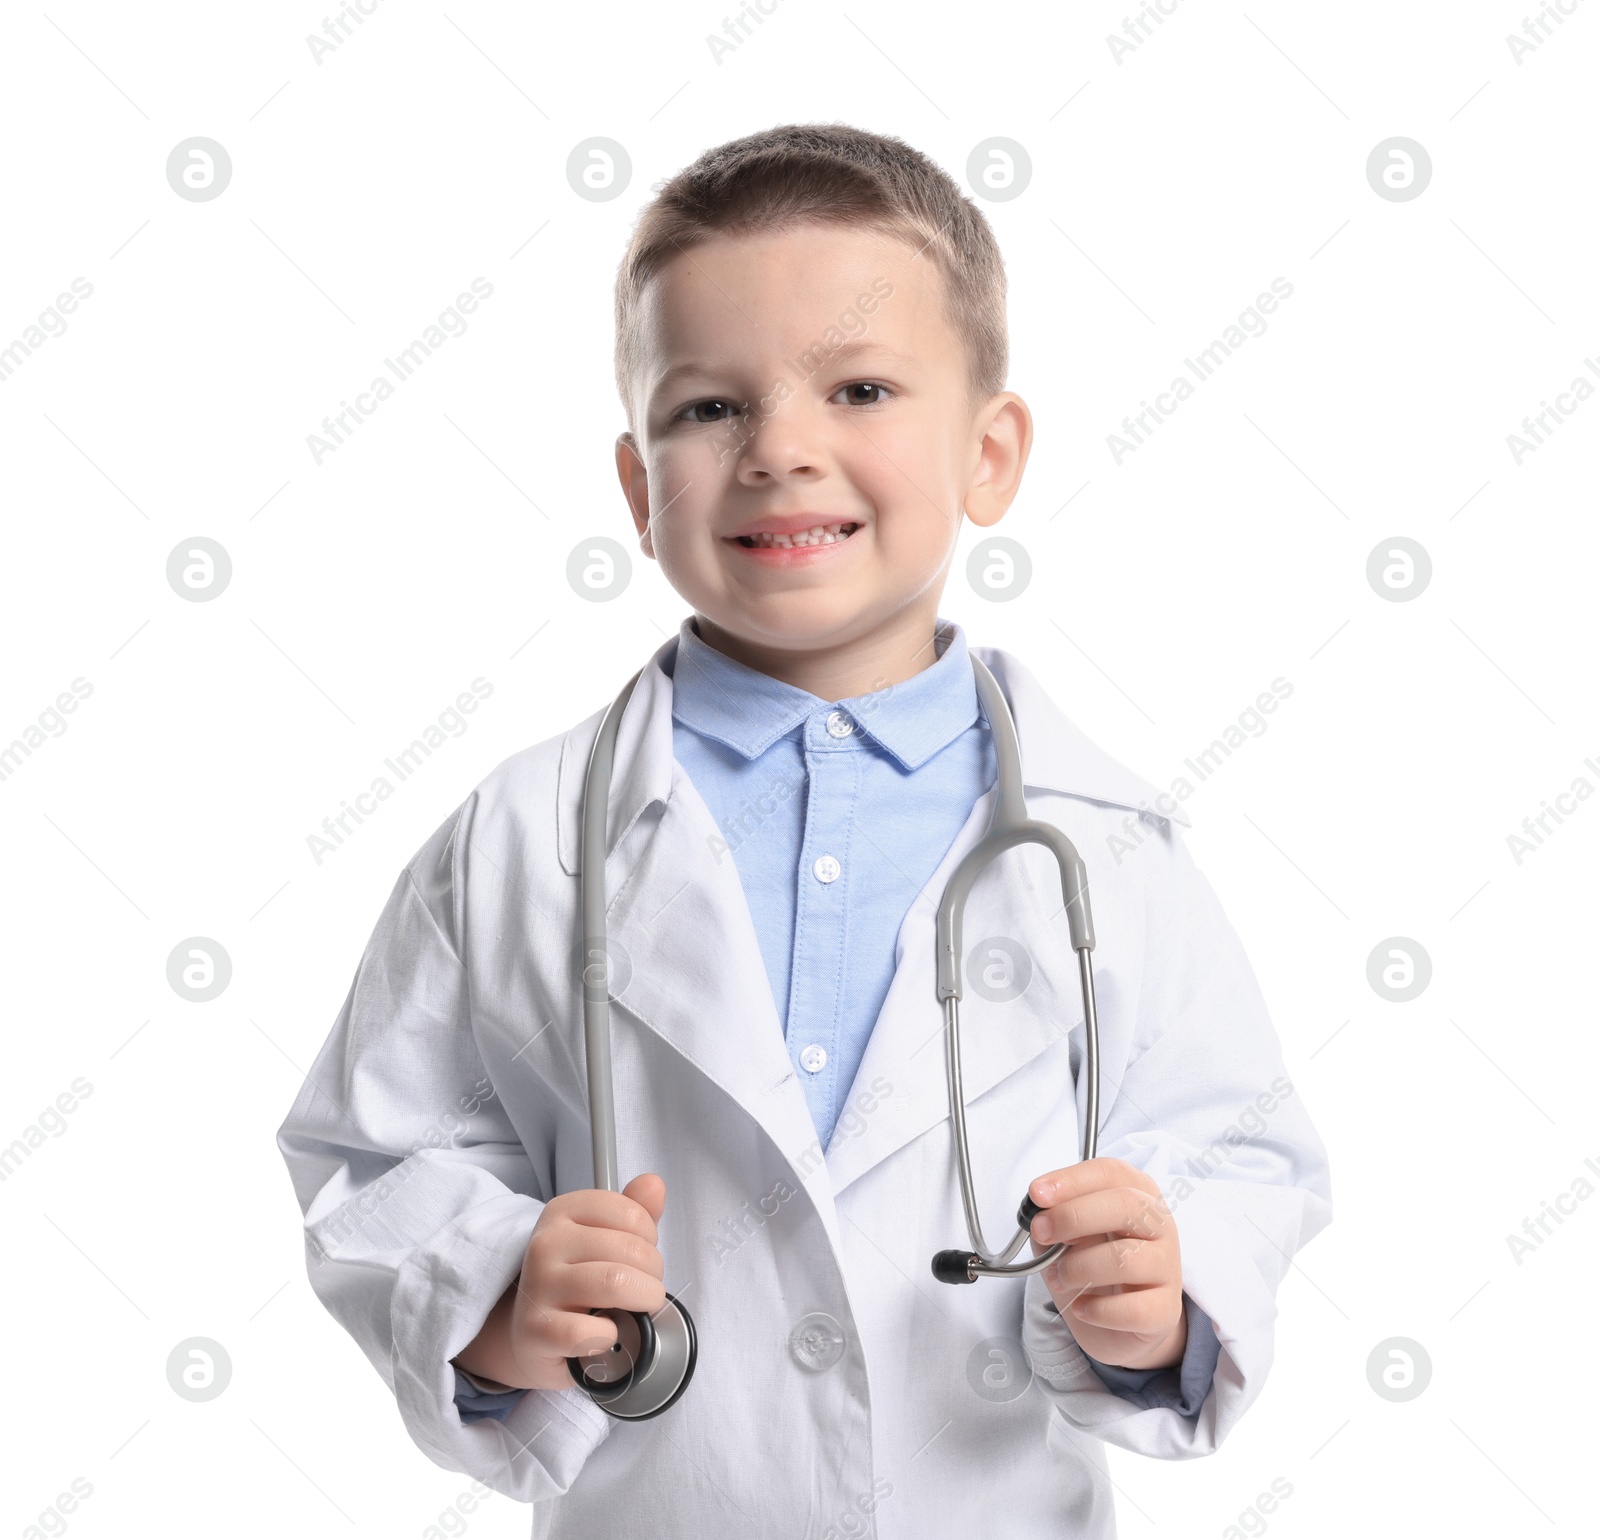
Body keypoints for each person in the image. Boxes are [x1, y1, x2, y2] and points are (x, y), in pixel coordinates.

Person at [276, 122, 1331, 1537]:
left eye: (861, 389)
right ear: (640, 489)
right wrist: (496, 1302)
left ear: (990, 454)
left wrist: (1164, 1292)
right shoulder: (524, 836)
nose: (782, 449)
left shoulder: (1107, 844)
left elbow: (1240, 1147)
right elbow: (376, 1153)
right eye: (710, 409)